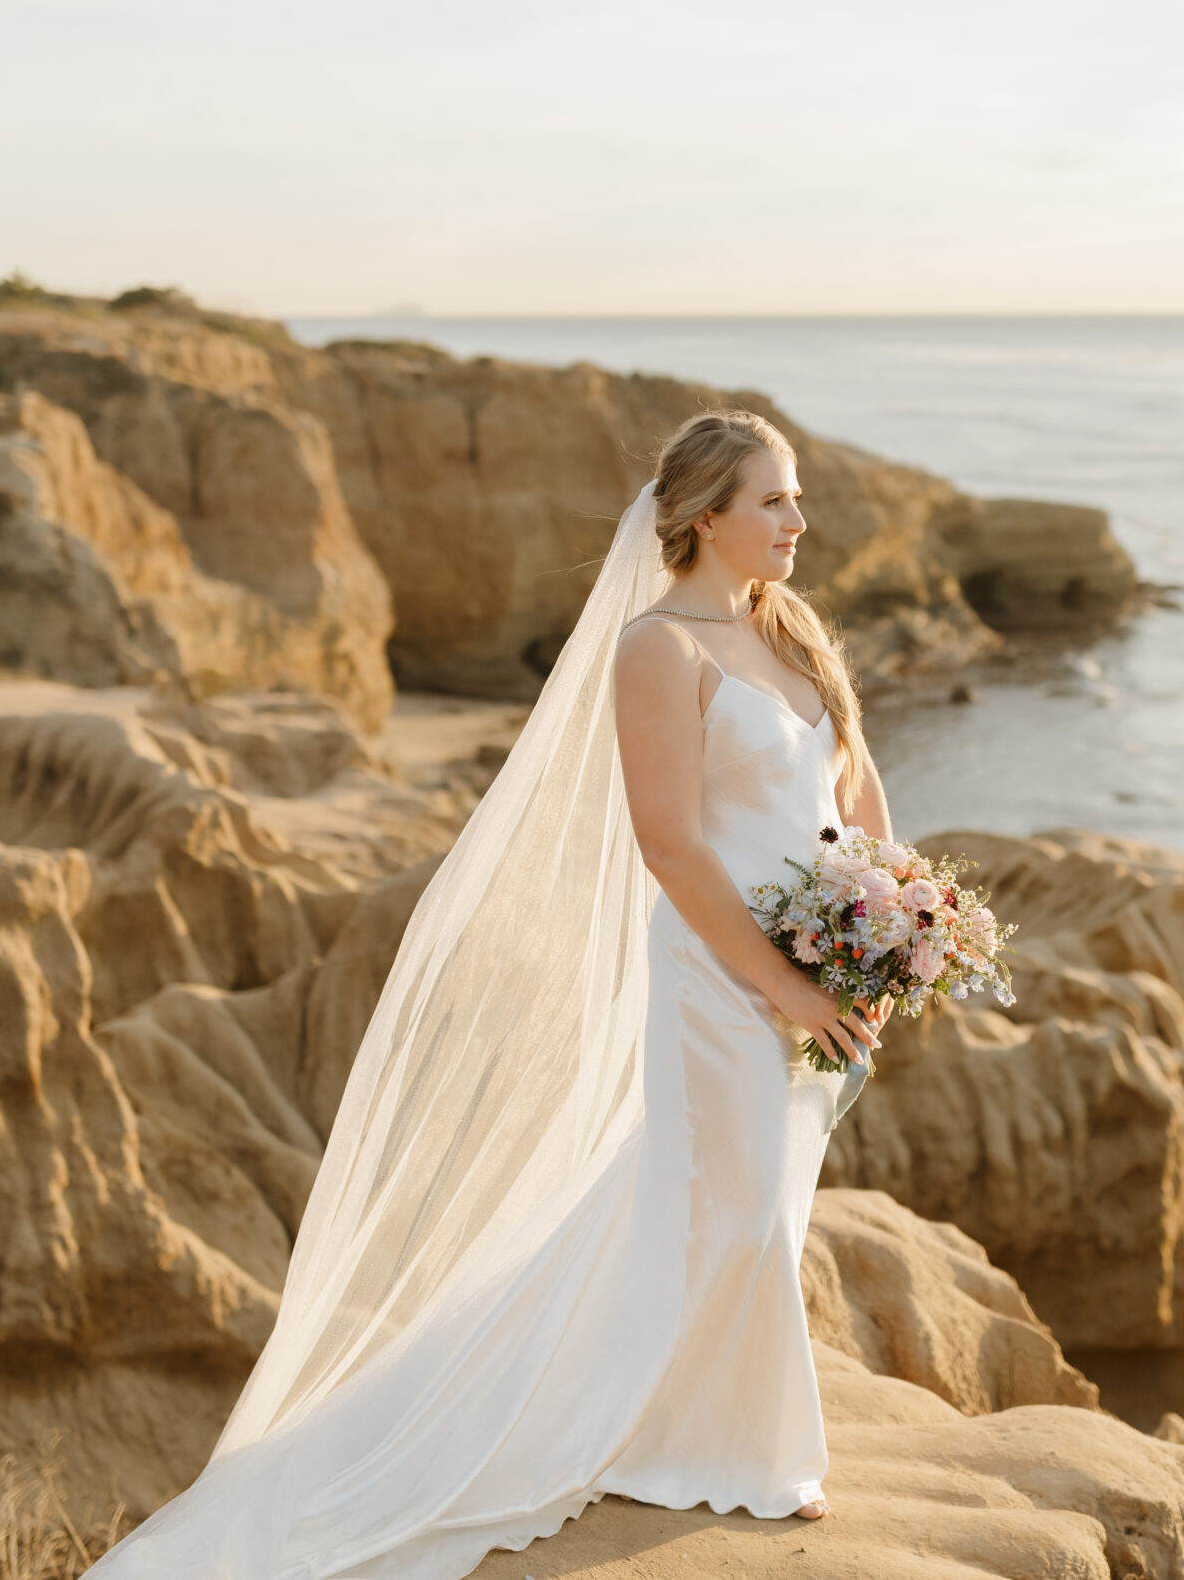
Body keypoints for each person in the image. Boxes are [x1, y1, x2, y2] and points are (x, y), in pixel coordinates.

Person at [84, 410, 892, 1579]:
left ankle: (697, 1428)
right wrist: (781, 986)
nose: (797, 521)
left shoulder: (793, 631)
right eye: (774, 501)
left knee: (753, 1203)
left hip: (822, 972)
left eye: (795, 499)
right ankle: (741, 1455)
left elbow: (855, 791)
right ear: (707, 516)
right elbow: (670, 846)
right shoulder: (658, 651)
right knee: (745, 1215)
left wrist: (889, 933)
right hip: (724, 978)